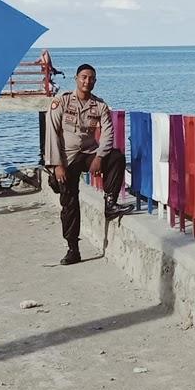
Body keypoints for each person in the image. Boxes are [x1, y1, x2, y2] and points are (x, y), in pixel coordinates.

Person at [44, 62, 126, 265]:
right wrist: (56, 165)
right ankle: (73, 249)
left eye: (91, 78)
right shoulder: (61, 102)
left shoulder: (99, 105)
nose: (87, 81)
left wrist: (99, 157)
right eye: (84, 77)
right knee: (69, 200)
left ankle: (110, 203)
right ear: (76, 79)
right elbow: (51, 133)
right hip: (66, 157)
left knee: (116, 157)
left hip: (88, 153)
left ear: (95, 81)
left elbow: (108, 132)